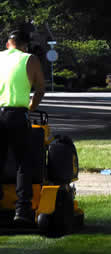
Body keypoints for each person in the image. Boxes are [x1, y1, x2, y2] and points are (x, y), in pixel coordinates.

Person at [0, 29, 46, 225]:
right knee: (23, 163)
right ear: (24, 45)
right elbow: (40, 89)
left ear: (8, 43)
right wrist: (31, 107)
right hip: (17, 114)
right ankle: (22, 209)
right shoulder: (30, 60)